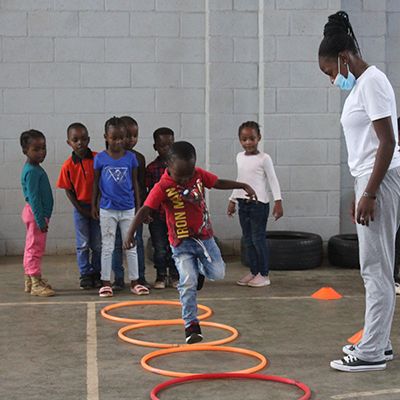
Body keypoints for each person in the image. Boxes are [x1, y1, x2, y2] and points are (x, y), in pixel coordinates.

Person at [319, 11, 400, 372]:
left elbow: (388, 141)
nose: (332, 79)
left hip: (381, 181)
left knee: (376, 269)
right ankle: (377, 343)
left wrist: (370, 192)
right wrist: (360, 189)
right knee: (373, 268)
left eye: (331, 72)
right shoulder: (361, 85)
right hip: (369, 180)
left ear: (344, 58)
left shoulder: (372, 82)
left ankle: (370, 353)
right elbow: (366, 146)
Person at [123, 141, 257, 344]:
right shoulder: (163, 186)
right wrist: (130, 234)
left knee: (218, 272)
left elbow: (217, 183)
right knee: (187, 282)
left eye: (189, 173)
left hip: (205, 239)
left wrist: (242, 185)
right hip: (181, 244)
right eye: (180, 175)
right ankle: (191, 325)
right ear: (168, 166)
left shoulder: (199, 175)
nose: (186, 179)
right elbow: (144, 209)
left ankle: (201, 272)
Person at [92, 116, 148, 297]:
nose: (119, 142)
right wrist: (94, 204)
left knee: (130, 245)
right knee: (107, 246)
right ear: (106, 137)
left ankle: (135, 282)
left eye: (122, 137)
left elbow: (135, 186)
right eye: (114, 138)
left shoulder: (131, 158)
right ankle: (106, 282)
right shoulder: (100, 159)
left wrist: (139, 208)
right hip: (107, 209)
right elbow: (95, 184)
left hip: (128, 209)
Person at [227, 121, 283, 287]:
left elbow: (273, 180)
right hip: (243, 203)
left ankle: (264, 274)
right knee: (248, 239)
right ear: (239, 140)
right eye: (244, 139)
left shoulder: (264, 158)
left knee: (258, 239)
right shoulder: (239, 157)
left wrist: (278, 201)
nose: (248, 143)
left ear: (259, 138)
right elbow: (240, 180)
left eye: (252, 138)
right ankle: (253, 272)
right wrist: (232, 199)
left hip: (259, 203)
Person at [57, 123, 102, 290]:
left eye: (83, 139)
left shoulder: (98, 159)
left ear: (88, 139)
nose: (80, 143)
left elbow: (103, 185)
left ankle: (97, 273)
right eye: (75, 140)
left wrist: (96, 205)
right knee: (83, 243)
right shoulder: (67, 166)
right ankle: (85, 273)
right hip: (81, 207)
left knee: (97, 243)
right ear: (69, 142)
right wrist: (82, 209)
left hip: (97, 205)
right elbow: (68, 191)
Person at [110, 116, 149, 291]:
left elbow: (142, 187)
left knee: (137, 242)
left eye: (135, 135)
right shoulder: (109, 157)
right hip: (113, 209)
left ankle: (140, 276)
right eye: (128, 135)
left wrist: (143, 210)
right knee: (116, 243)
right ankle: (118, 278)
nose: (131, 140)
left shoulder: (139, 158)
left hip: (133, 209)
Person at [20, 129, 55, 297]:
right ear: (25, 151)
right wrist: (40, 220)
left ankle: (30, 280)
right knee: (35, 249)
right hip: (36, 215)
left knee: (30, 247)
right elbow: (34, 198)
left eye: (44, 148)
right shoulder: (32, 171)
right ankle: (35, 283)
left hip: (36, 214)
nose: (42, 152)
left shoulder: (34, 168)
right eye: (36, 149)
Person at [145, 128, 179, 289]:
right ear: (155, 147)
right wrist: (148, 211)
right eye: (162, 145)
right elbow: (148, 191)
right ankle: (161, 275)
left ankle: (174, 274)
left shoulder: (179, 167)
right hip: (157, 216)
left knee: (175, 246)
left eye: (169, 145)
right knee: (159, 247)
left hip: (176, 216)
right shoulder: (152, 168)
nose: (166, 148)